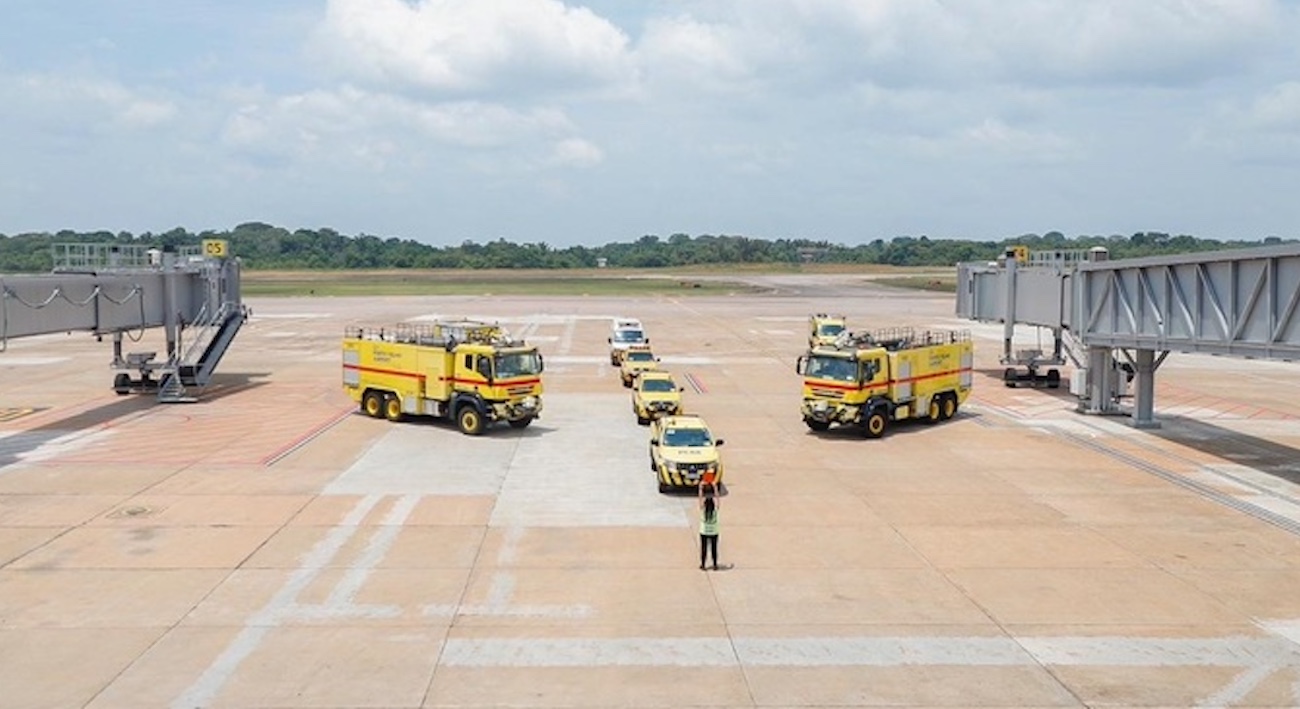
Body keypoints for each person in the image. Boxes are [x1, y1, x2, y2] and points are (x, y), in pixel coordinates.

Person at [698, 483, 720, 570]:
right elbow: (718, 500)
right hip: (714, 531)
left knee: (704, 548)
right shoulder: (715, 511)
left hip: (704, 531)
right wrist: (715, 488)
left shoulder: (703, 510)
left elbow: (700, 499)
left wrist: (700, 488)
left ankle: (703, 564)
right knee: (714, 548)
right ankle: (715, 564)